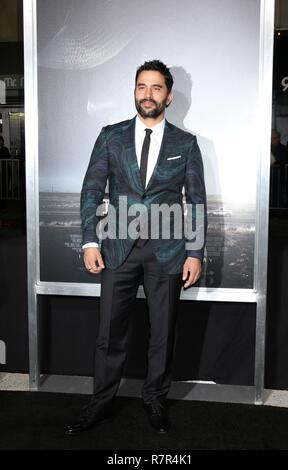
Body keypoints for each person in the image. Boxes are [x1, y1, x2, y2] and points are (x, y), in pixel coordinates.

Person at [65, 60, 207, 435]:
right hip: (117, 248)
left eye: (156, 88)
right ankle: (100, 404)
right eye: (142, 87)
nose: (148, 94)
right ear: (134, 92)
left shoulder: (185, 143)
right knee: (109, 333)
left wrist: (195, 252)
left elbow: (195, 201)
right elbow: (92, 190)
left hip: (169, 252)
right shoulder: (110, 136)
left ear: (169, 96)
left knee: (163, 333)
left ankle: (155, 400)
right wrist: (90, 240)